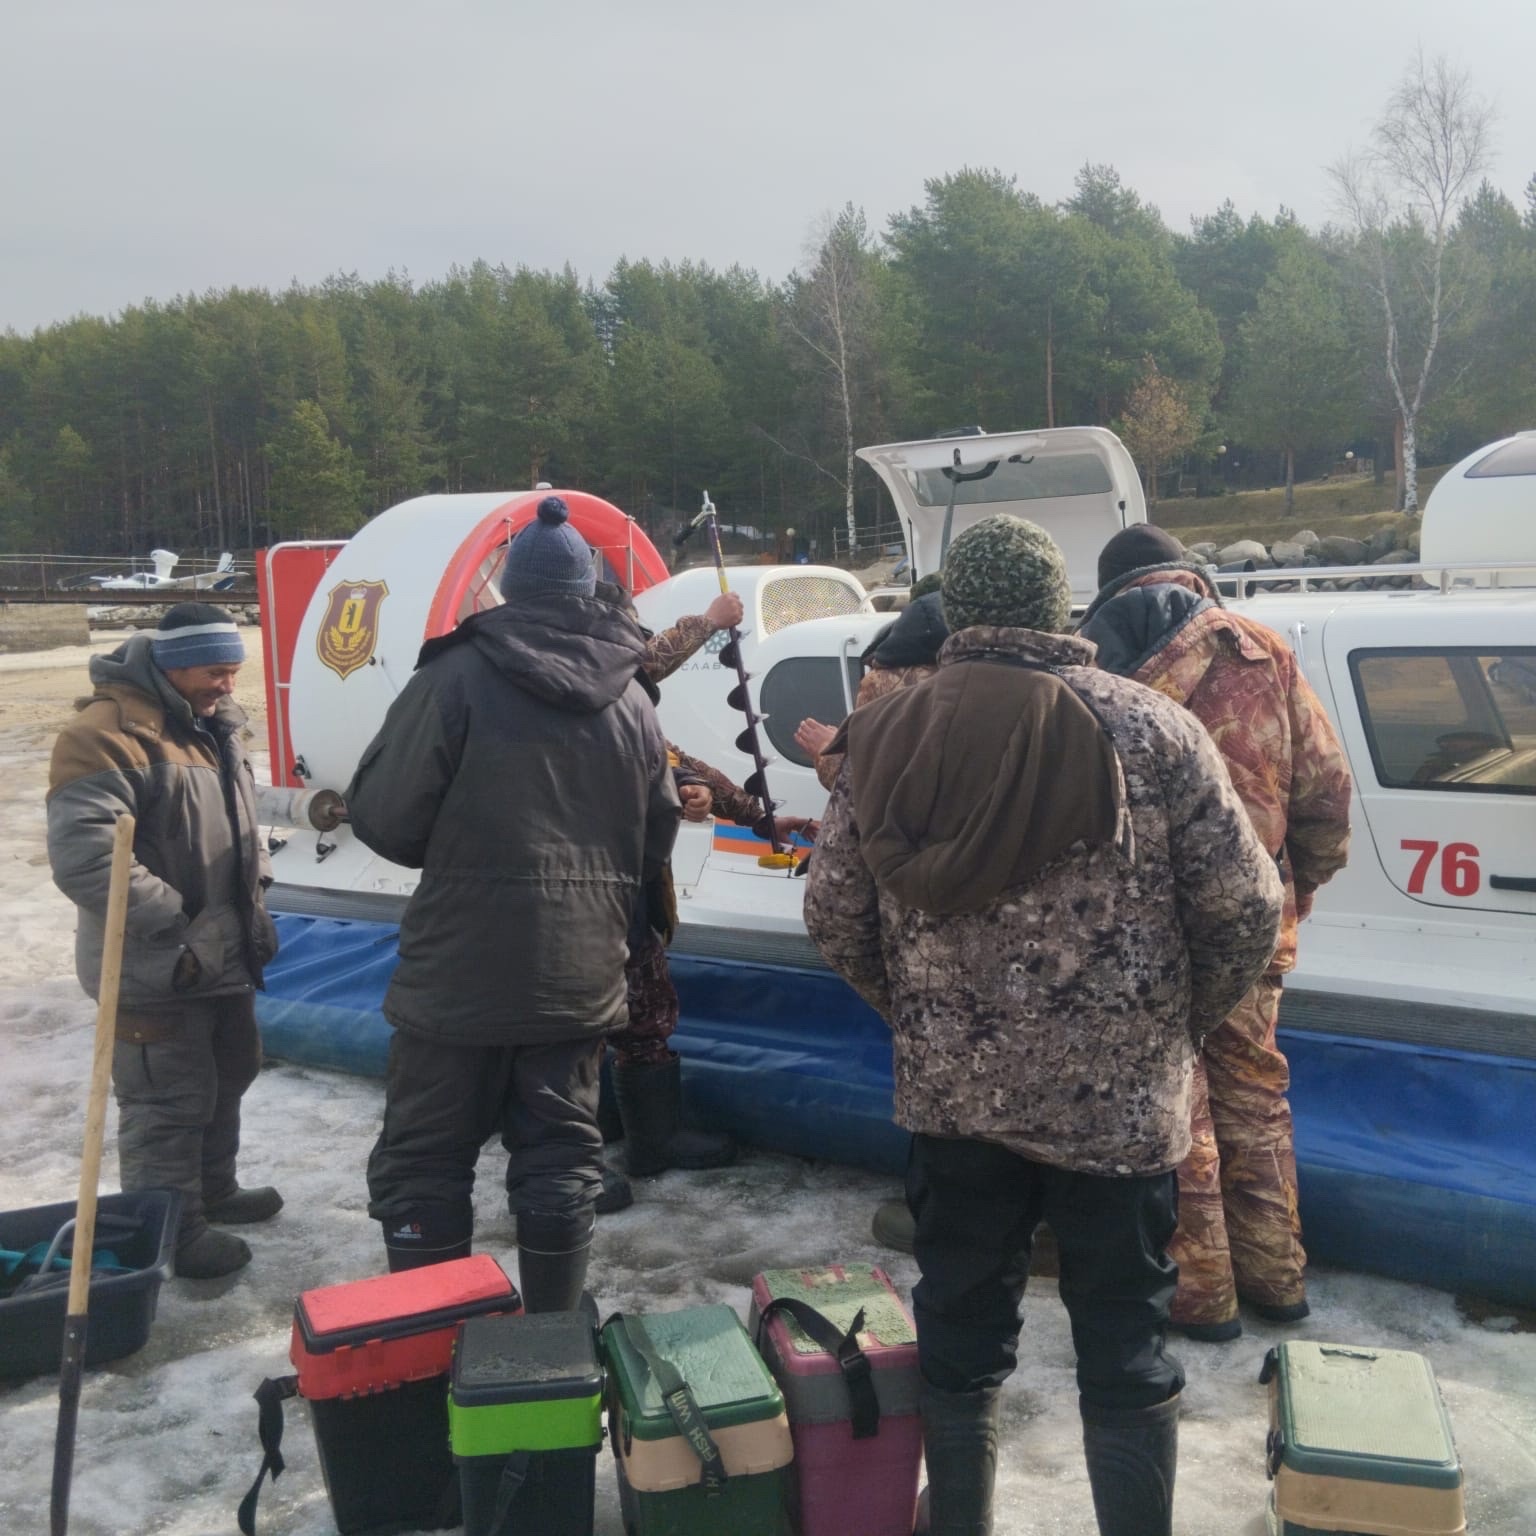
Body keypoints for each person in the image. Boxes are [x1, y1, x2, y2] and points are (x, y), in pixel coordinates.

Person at [804, 515, 1283, 1536]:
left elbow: (833, 914)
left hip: (955, 1109)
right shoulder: (1153, 729)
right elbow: (1247, 906)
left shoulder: (887, 736)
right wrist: (1169, 1030)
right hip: (1120, 1118)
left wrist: (925, 1021)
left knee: (961, 1339)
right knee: (1126, 1349)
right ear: (1056, 604)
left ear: (959, 608)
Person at [345, 497, 680, 1310]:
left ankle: (433, 1337)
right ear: (588, 586)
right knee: (561, 1155)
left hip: (457, 971)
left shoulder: (454, 676)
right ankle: (553, 1334)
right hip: (578, 972)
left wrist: (465, 857)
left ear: (506, 587)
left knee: (425, 1156)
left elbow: (386, 813)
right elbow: (657, 832)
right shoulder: (632, 700)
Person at [1080, 524, 1353, 1342]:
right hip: (1256, 911)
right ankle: (1278, 1280)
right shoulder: (1262, 649)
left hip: (1146, 927)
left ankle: (1203, 1299)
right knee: (1256, 1090)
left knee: (1178, 1103)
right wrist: (1296, 884)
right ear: (1191, 576)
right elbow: (1327, 793)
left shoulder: (1085, 667)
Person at [46, 603, 282, 1280]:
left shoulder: (213, 728)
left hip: (223, 954)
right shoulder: (107, 735)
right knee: (166, 1102)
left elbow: (234, 826)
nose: (228, 685)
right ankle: (172, 1233)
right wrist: (180, 922)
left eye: (234, 670)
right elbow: (88, 858)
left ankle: (212, 1193)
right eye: (216, 671)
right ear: (173, 665)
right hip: (159, 962)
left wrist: (251, 892)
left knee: (228, 1074)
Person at [592, 581, 811, 1213]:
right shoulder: (584, 692)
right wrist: (709, 621)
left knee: (639, 1012)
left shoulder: (614, 706)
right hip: (582, 900)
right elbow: (647, 665)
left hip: (624, 897)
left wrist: (759, 819)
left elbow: (680, 763)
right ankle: (597, 1154)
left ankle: (630, 1135)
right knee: (583, 1024)